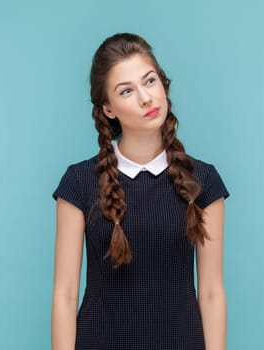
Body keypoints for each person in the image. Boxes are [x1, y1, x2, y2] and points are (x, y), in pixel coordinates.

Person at [51, 33, 230, 350]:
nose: (145, 98)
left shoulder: (203, 181)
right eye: (126, 91)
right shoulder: (78, 183)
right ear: (108, 109)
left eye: (149, 82)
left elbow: (213, 291)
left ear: (163, 85)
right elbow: (65, 295)